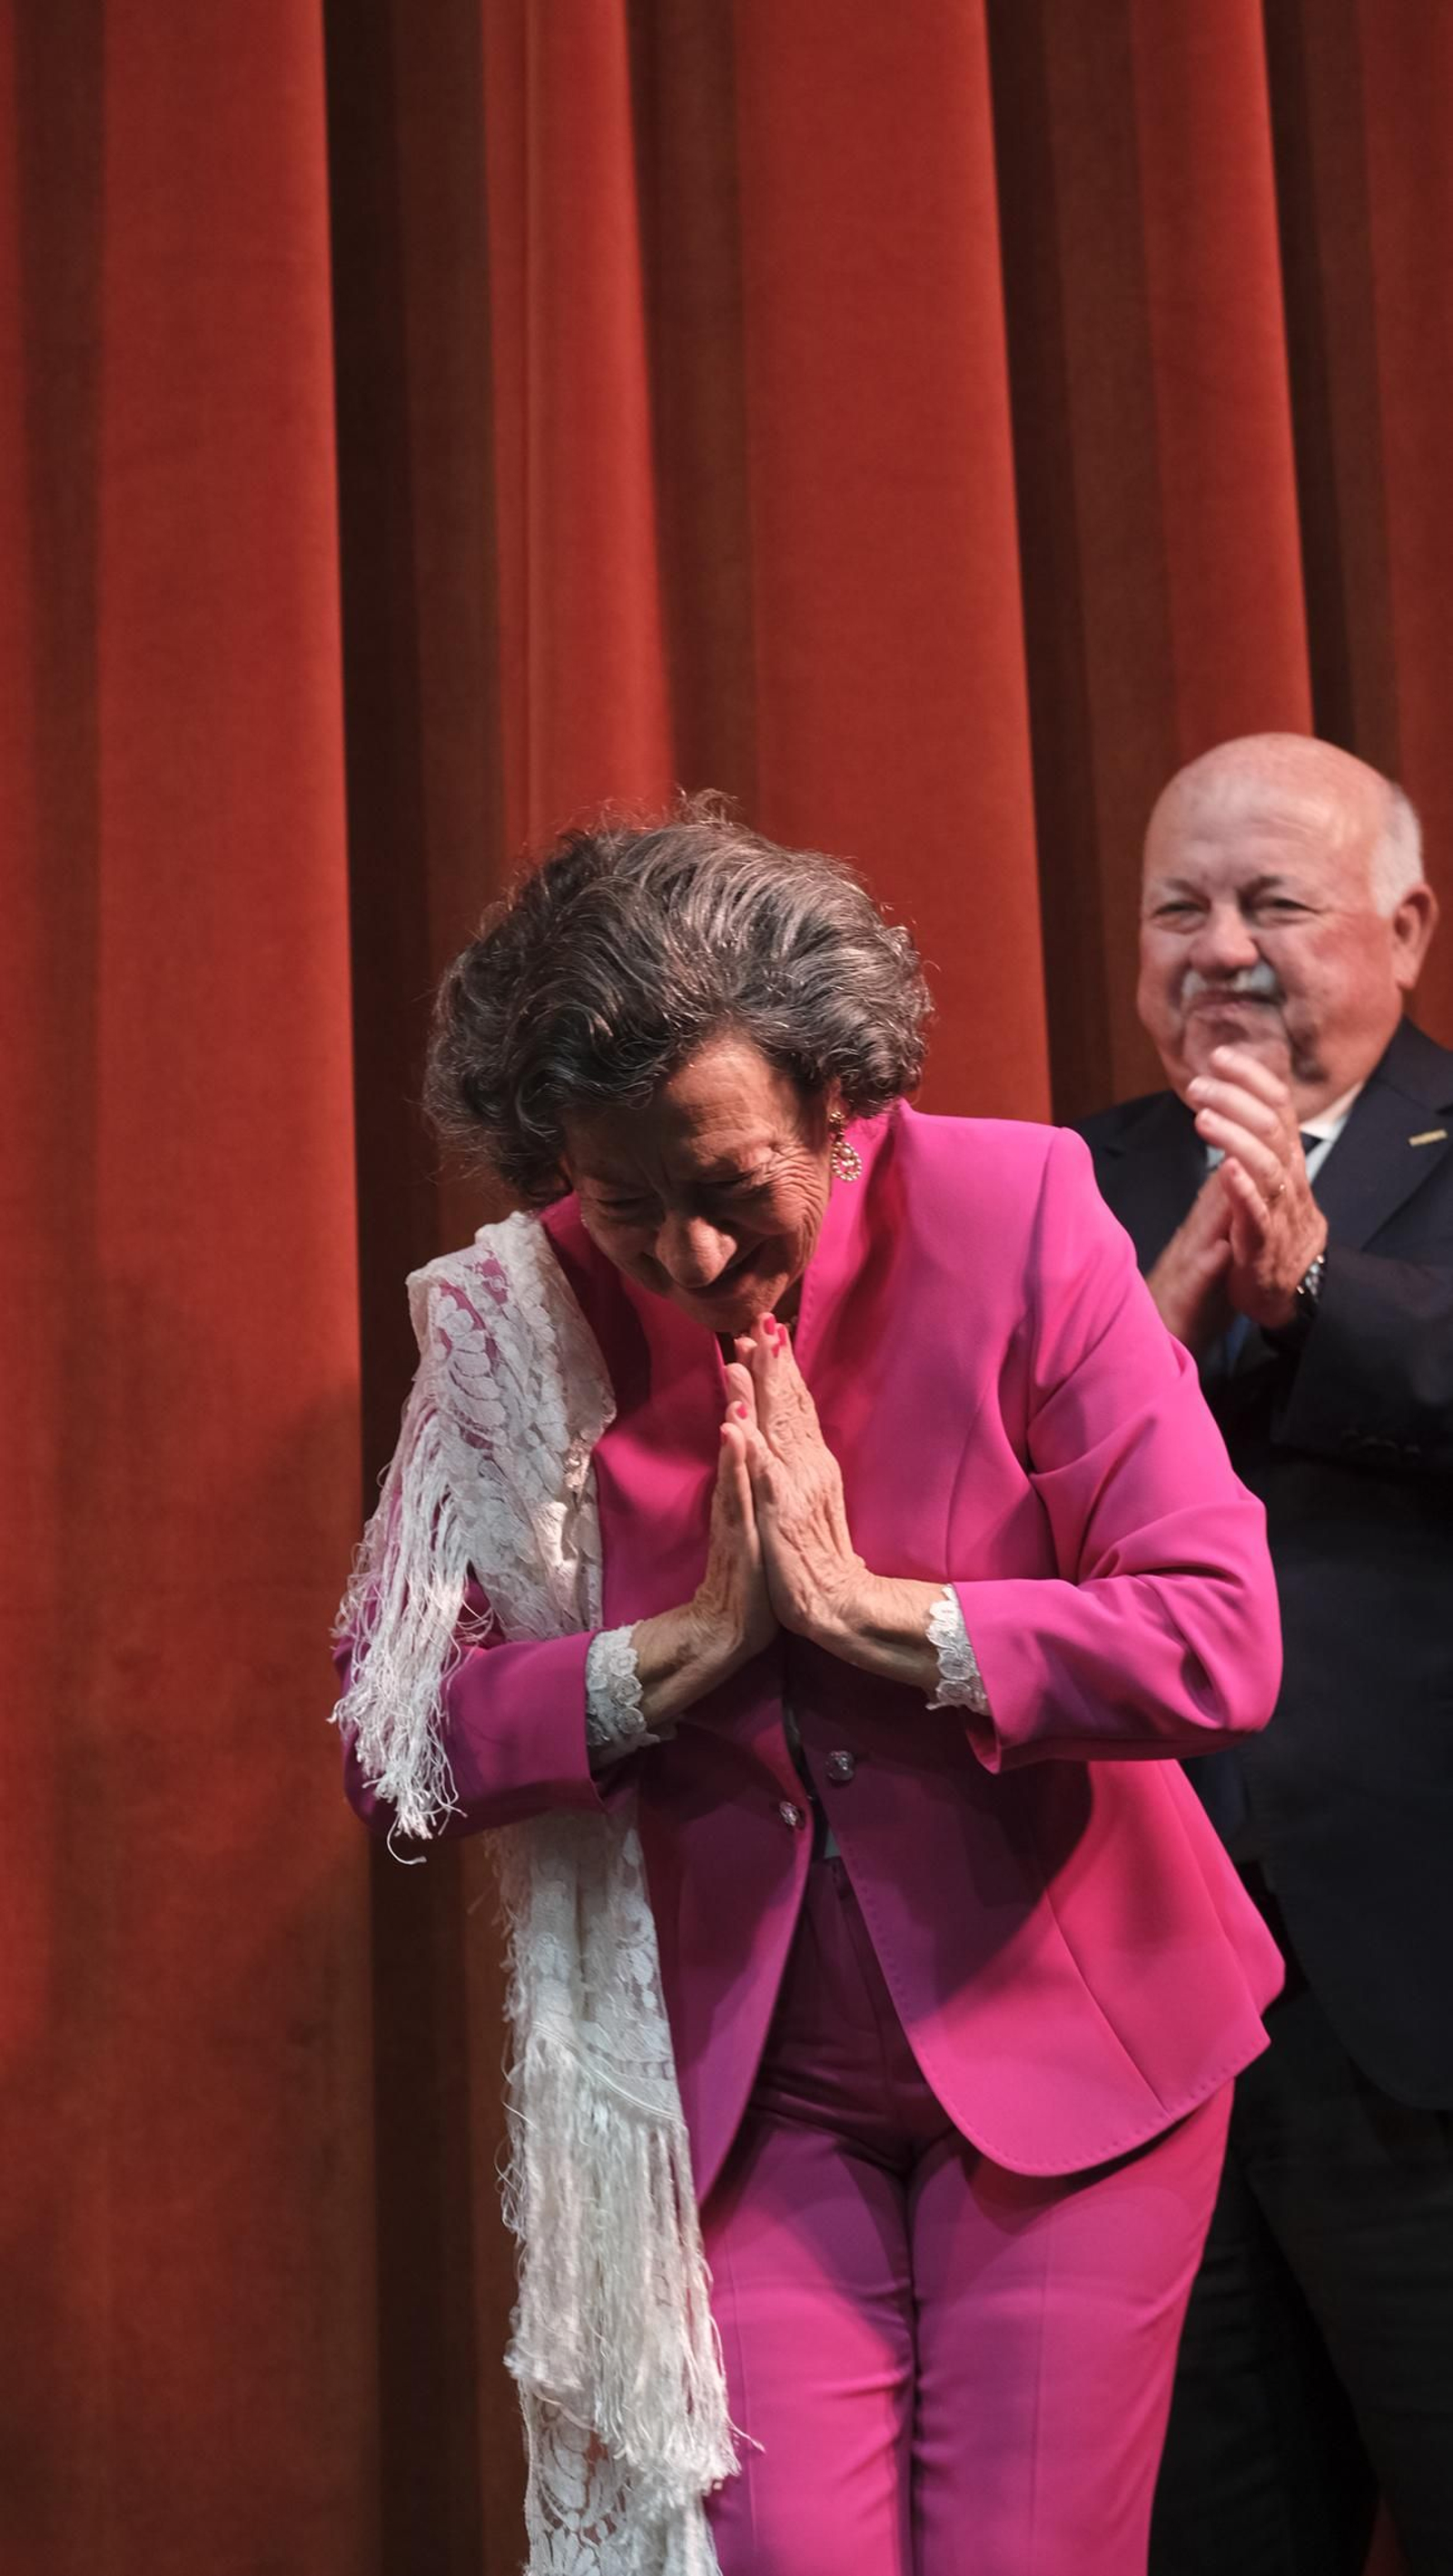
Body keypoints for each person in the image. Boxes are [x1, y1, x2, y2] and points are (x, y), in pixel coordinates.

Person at [335, 805, 1283, 2576]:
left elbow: (1217, 1628)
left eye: (731, 1191)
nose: (687, 1259)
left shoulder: (1014, 1211)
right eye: (627, 1208)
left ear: (837, 1112)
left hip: (1074, 2052)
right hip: (750, 2094)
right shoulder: (511, 1319)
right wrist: (665, 1659)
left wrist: (887, 1619)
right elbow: (398, 1747)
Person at [1078, 734, 1453, 2576]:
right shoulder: (1063, 1183)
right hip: (1137, 2021)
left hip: (1417, 2007)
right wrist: (1150, 1312)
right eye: (1177, 906)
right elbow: (974, 1520)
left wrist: (1314, 1293)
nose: (1217, 948)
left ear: (1400, 927)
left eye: (1269, 903)